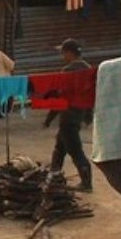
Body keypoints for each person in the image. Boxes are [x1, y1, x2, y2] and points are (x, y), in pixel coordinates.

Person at [43, 38, 92, 191]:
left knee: (75, 151)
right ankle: (54, 177)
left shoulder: (67, 72)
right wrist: (88, 115)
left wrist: (49, 119)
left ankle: (86, 183)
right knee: (59, 148)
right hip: (77, 115)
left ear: (70, 53)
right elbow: (91, 95)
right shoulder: (89, 70)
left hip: (68, 117)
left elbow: (59, 98)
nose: (62, 56)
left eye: (64, 53)